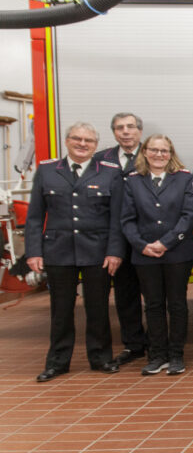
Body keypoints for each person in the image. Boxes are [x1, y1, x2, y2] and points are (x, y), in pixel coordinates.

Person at [26, 123, 124, 381]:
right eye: (78, 139)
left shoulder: (110, 172)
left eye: (89, 141)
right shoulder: (47, 171)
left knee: (98, 308)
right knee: (60, 310)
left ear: (96, 145)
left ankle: (101, 358)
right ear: (67, 141)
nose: (83, 144)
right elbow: (35, 216)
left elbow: (117, 218)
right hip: (59, 251)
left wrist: (114, 252)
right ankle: (57, 362)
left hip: (97, 252)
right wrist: (34, 252)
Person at [121, 134, 193, 375]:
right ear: (144, 152)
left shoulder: (185, 179)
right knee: (153, 305)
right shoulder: (133, 181)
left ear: (171, 153)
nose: (159, 155)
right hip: (144, 255)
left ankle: (176, 355)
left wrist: (166, 243)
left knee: (176, 304)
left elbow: (189, 216)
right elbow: (127, 219)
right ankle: (157, 355)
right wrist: (141, 245)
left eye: (164, 151)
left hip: (177, 253)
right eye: (154, 150)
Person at [98, 112, 147, 366]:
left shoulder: (154, 154)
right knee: (126, 294)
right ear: (114, 132)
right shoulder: (100, 160)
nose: (125, 132)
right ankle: (134, 344)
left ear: (140, 130)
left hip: (149, 240)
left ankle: (161, 342)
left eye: (130, 127)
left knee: (155, 296)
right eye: (120, 128)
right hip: (117, 241)